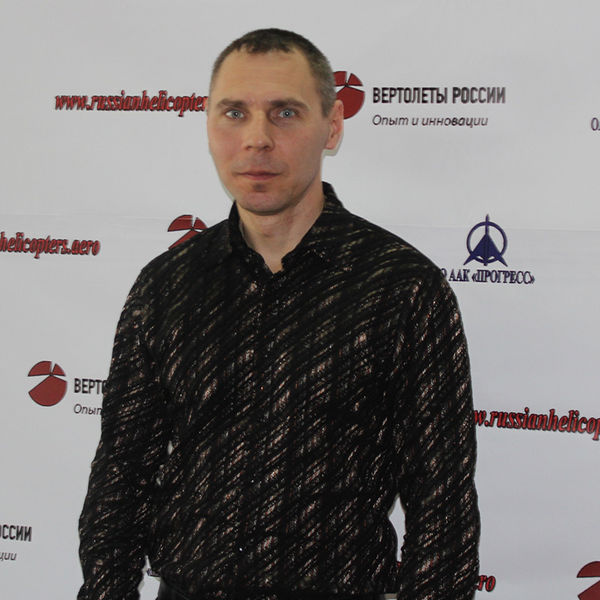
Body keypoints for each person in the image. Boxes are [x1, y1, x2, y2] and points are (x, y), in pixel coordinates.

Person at [78, 28, 480, 600]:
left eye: (285, 113)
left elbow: (443, 504)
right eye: (234, 113)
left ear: (332, 126)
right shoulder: (166, 285)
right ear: (209, 124)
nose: (257, 139)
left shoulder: (401, 287)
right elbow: (120, 480)